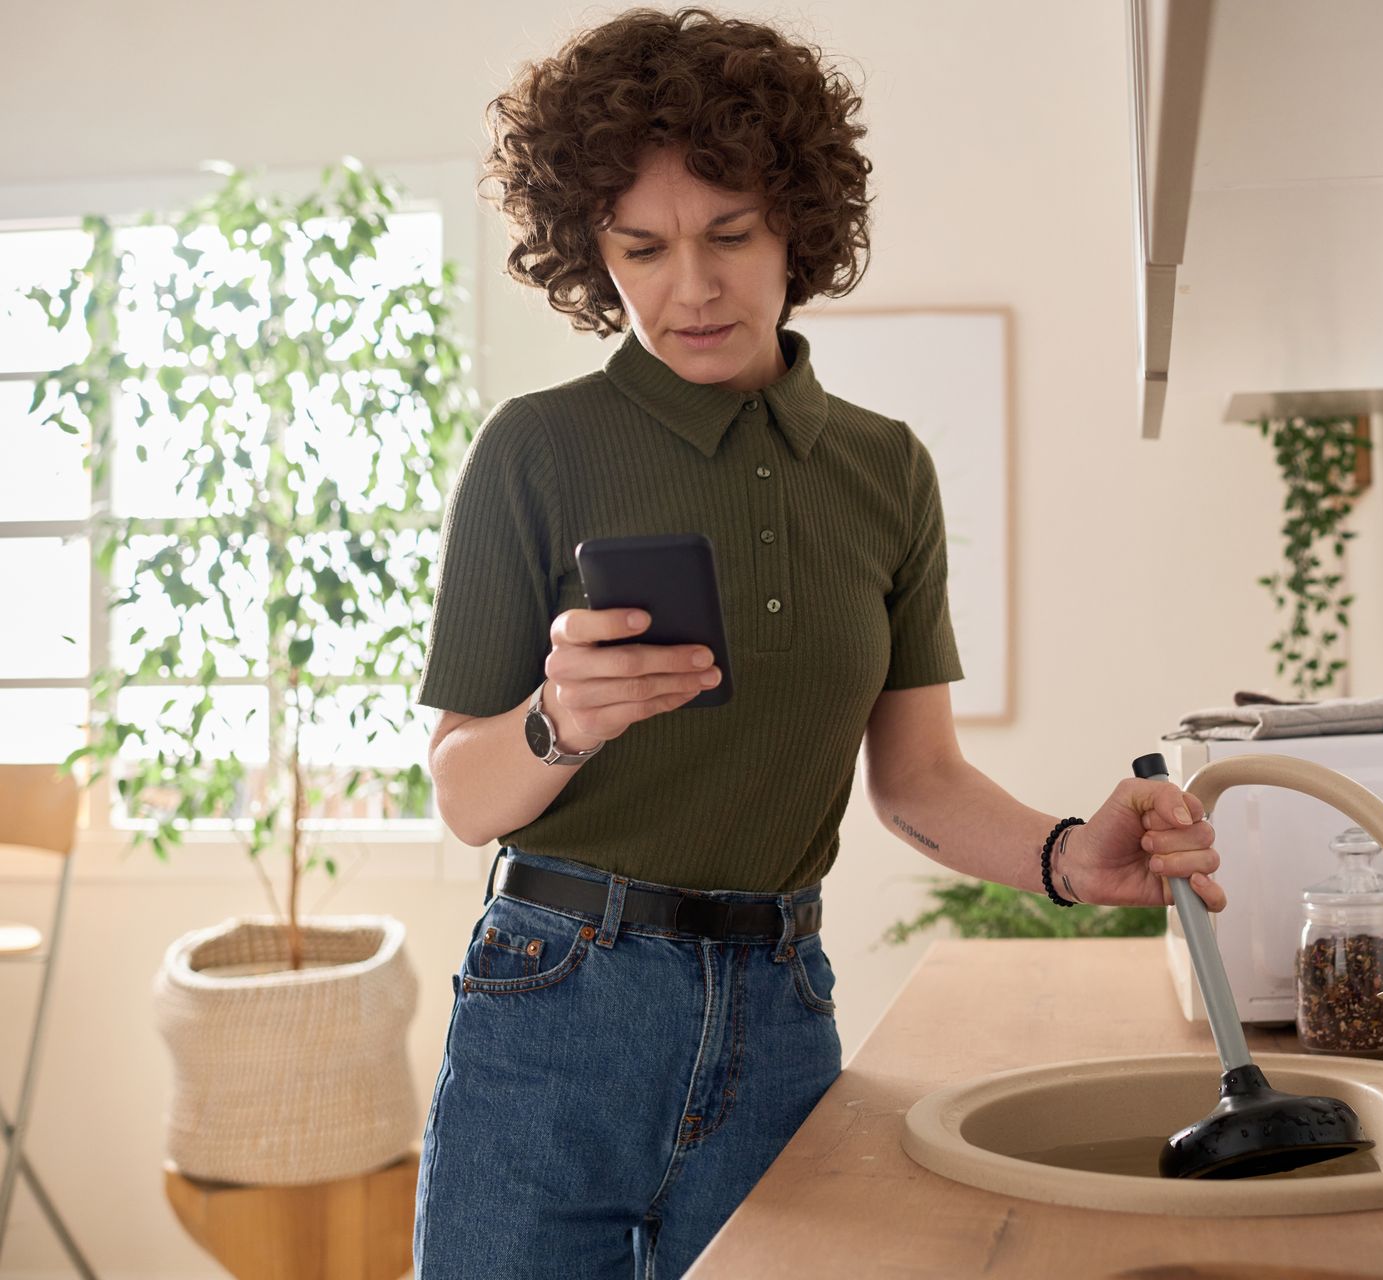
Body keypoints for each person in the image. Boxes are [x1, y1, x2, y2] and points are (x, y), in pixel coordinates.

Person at [410, 7, 1226, 1277]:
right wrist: (555, 720)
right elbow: (464, 792)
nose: (692, 286)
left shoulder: (883, 468)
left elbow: (919, 781)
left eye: (731, 234)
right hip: (553, 1000)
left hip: (779, 1004)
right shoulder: (537, 448)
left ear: (800, 220)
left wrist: (1073, 856)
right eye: (642, 247)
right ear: (594, 252)